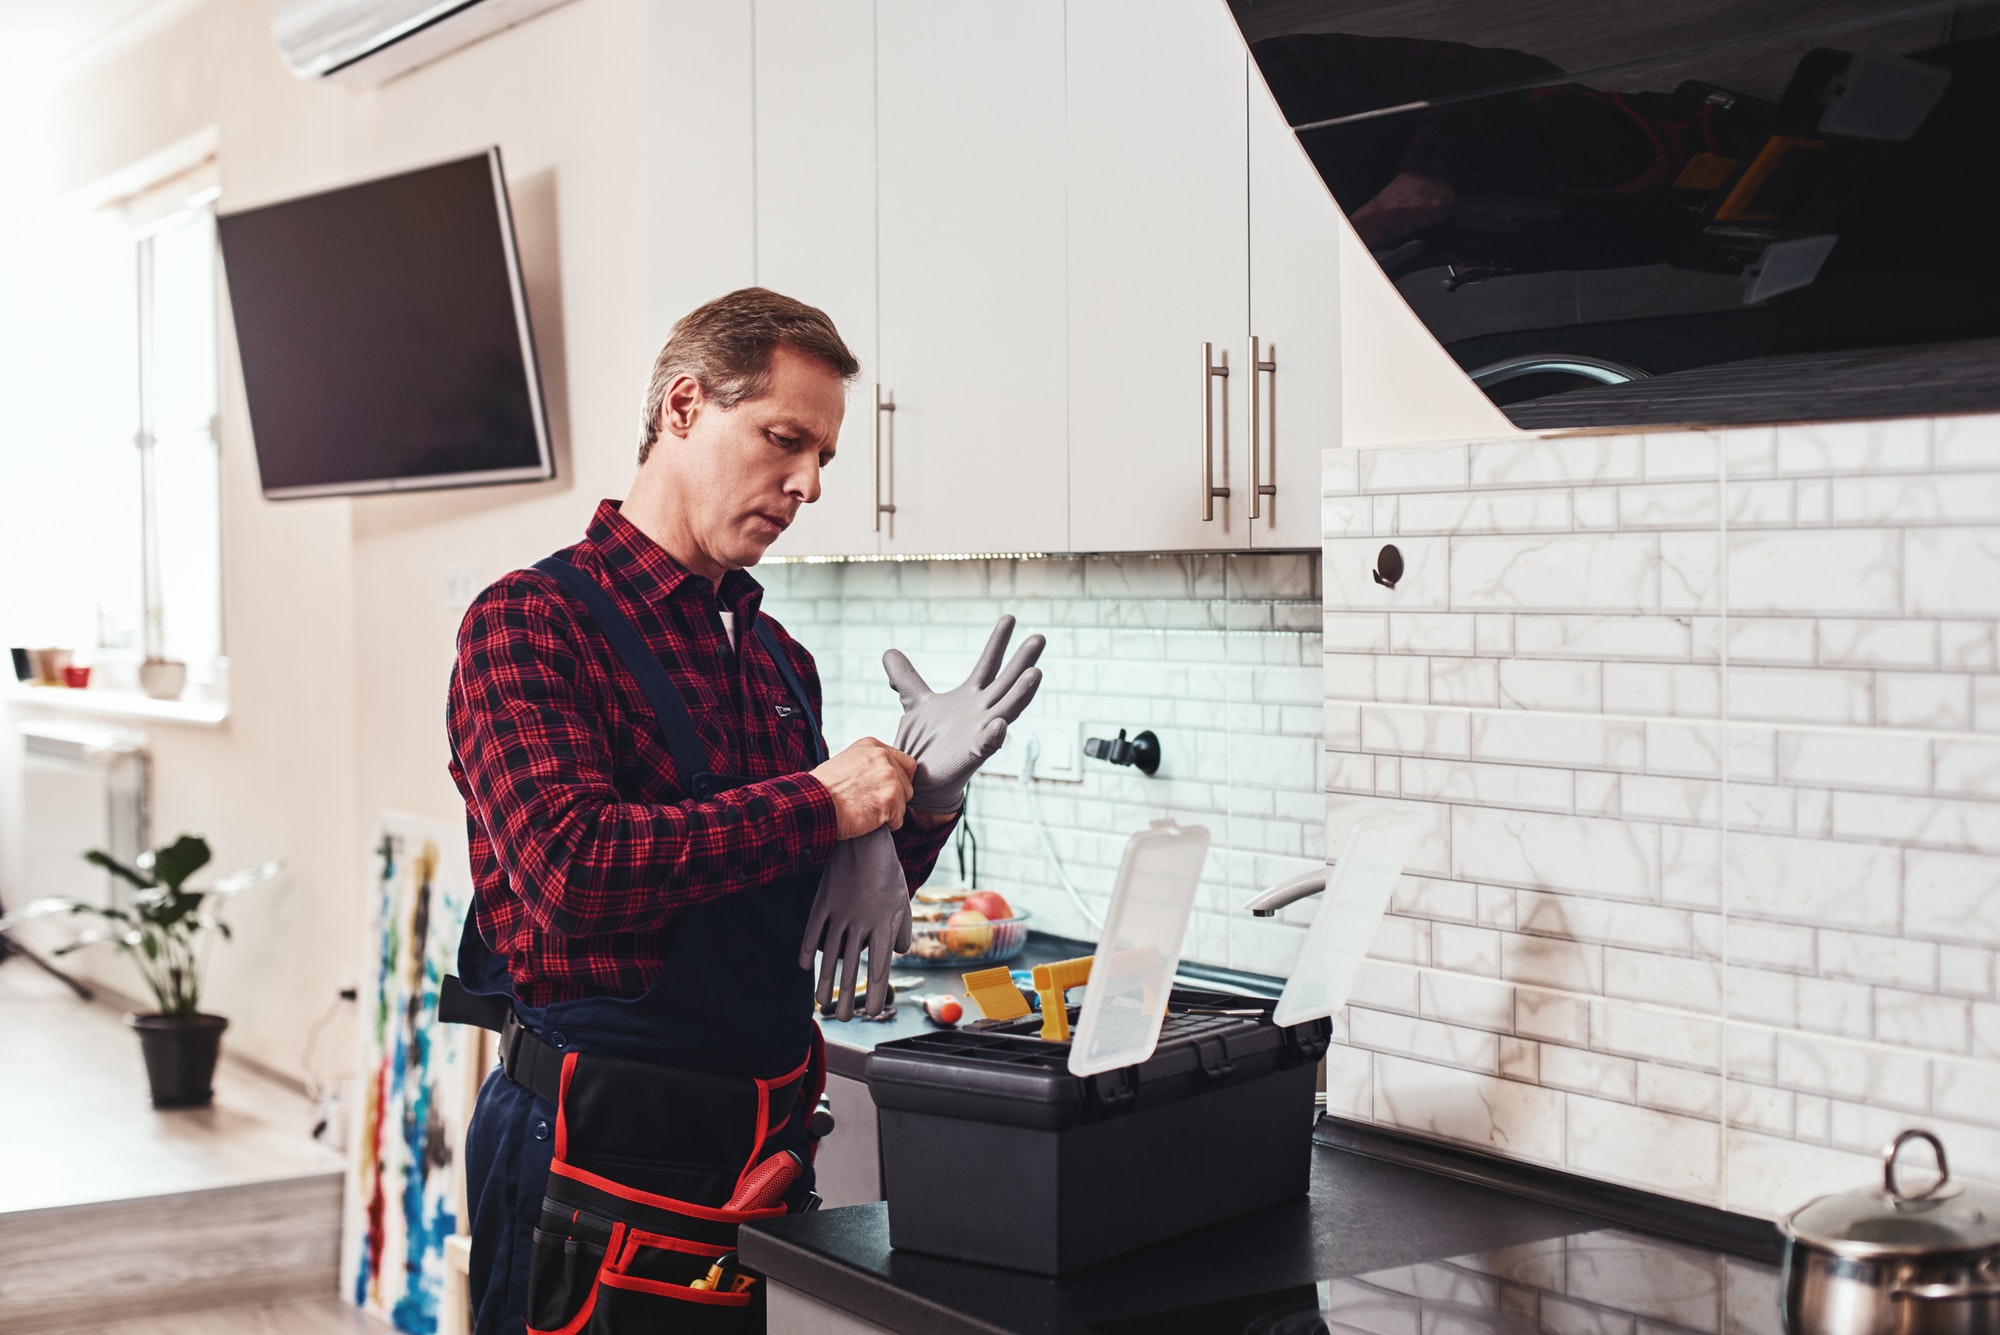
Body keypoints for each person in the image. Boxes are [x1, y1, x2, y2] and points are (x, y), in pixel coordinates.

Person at [442, 287, 1041, 1334]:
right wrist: (822, 800)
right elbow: (572, 873)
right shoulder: (530, 624)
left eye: (821, 460)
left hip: (758, 1153)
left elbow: (791, 893)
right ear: (682, 408)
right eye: (783, 440)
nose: (805, 484)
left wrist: (919, 804)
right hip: (591, 1154)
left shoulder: (774, 660)